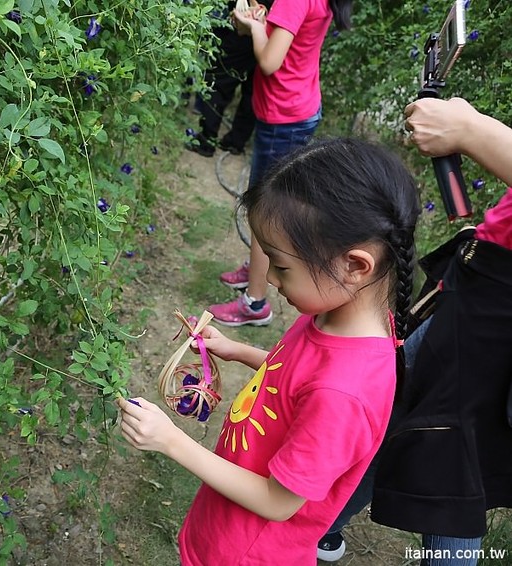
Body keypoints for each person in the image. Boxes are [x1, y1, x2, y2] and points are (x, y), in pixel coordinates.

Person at [117, 137, 420, 564]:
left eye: (281, 265)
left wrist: (171, 441)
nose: (272, 280)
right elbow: (297, 382)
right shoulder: (332, 316)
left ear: (355, 266)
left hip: (245, 552)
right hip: (224, 521)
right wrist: (237, 350)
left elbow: (279, 502)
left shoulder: (345, 392)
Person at [319, 97, 512, 564]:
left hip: (497, 313)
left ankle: (312, 527)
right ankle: (314, 528)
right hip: (484, 280)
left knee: (449, 458)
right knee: (393, 414)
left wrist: (471, 130)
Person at [209, 0, 354, 326]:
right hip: (298, 106)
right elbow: (292, 39)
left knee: (265, 210)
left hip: (283, 117)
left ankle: (255, 303)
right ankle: (257, 268)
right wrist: (264, 23)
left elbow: (270, 61)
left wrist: (254, 28)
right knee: (269, 202)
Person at [186, 0, 273, 158]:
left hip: (242, 26)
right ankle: (235, 142)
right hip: (268, 34)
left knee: (217, 83)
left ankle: (207, 140)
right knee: (253, 89)